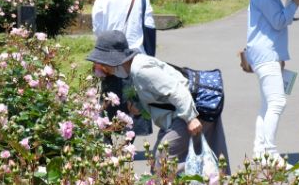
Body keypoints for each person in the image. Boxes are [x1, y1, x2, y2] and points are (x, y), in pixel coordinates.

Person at [87, 30, 229, 169]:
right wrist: (139, 109)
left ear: (113, 60)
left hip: (188, 110)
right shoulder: (133, 68)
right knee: (160, 163)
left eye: (103, 62)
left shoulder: (140, 70)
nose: (102, 67)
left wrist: (190, 118)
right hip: (176, 114)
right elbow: (157, 96)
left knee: (164, 160)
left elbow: (176, 89)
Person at [245, 0, 299, 159]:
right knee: (278, 102)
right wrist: (295, 3)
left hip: (267, 53)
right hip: (266, 54)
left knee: (267, 104)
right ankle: (269, 153)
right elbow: (279, 21)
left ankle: (260, 150)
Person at [91, 0, 155, 108]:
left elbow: (98, 30)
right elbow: (150, 31)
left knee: (109, 113)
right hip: (135, 61)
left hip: (108, 62)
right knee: (135, 113)